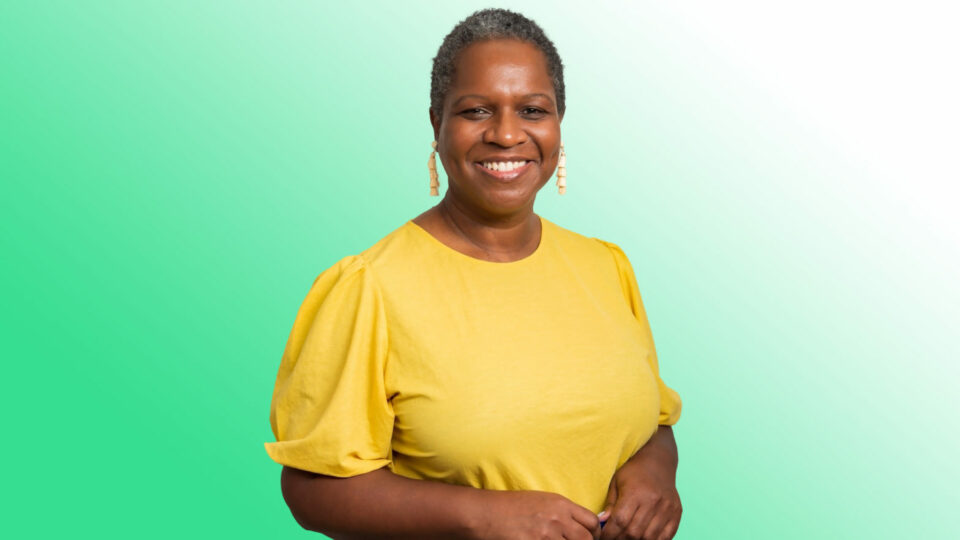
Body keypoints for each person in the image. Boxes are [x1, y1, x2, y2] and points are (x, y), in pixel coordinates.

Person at [265, 8, 683, 540]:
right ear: (436, 123)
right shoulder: (369, 288)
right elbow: (312, 490)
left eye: (532, 110)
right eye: (476, 110)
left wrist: (654, 474)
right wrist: (483, 515)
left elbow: (653, 421)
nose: (506, 134)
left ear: (558, 123)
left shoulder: (606, 267)